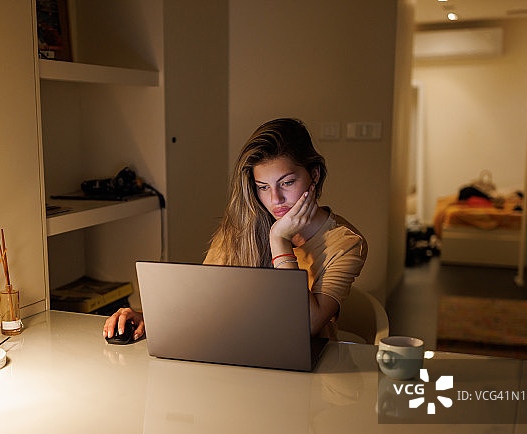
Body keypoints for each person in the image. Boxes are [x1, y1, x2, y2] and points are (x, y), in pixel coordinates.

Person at [103, 117, 367, 341]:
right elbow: (207, 300)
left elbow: (306, 325)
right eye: (263, 187)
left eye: (286, 183)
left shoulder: (345, 243)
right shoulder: (241, 228)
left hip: (307, 376)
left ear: (315, 175)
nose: (275, 200)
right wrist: (149, 317)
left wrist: (279, 240)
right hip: (242, 358)